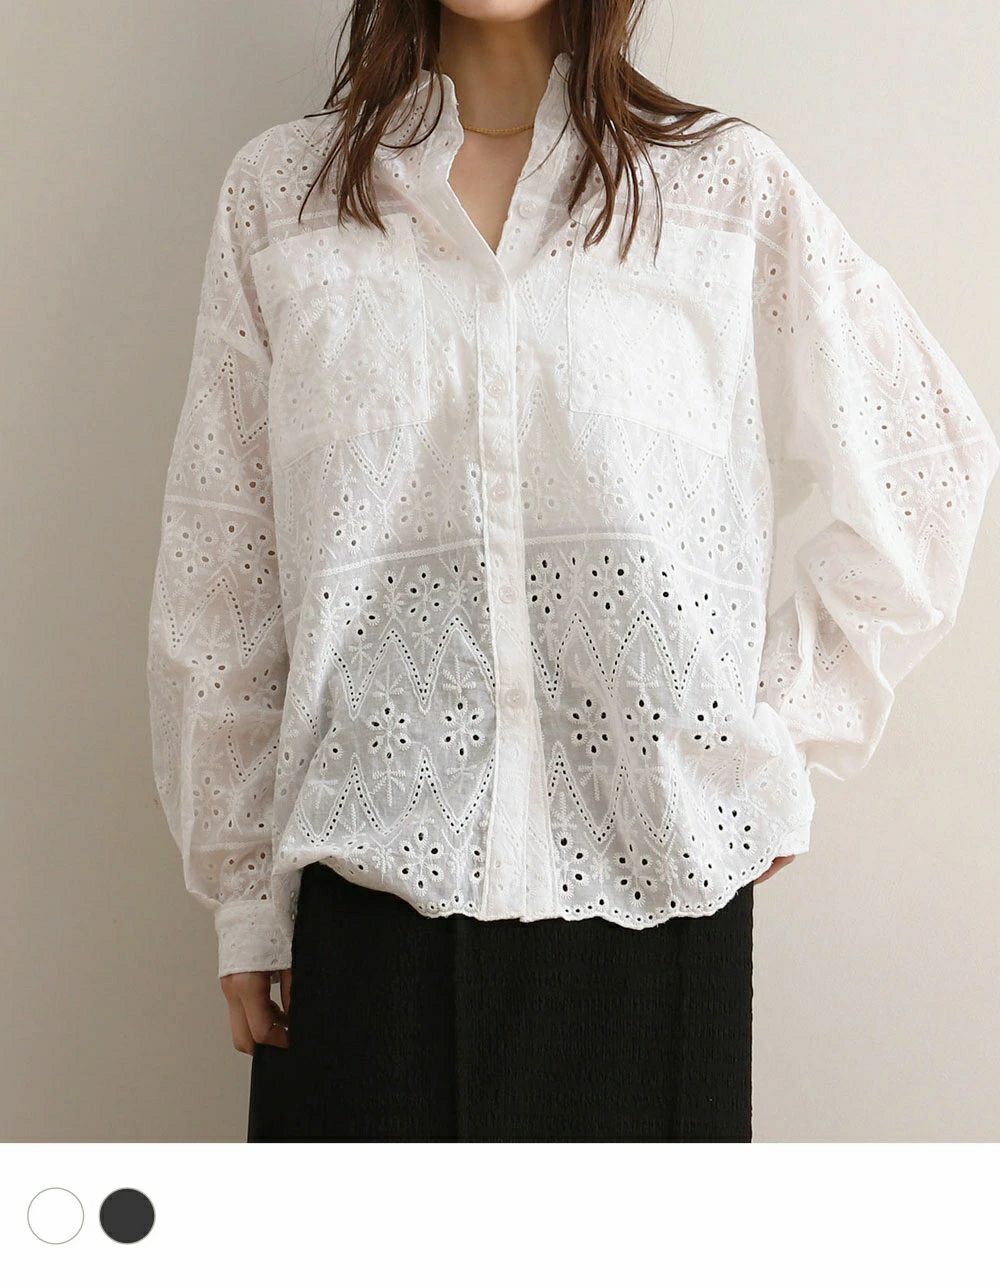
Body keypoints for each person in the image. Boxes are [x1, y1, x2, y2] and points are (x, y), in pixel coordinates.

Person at [145, 0, 999, 1142]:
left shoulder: (723, 189)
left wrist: (780, 737)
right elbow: (224, 566)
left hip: (657, 898)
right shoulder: (283, 196)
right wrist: (248, 895)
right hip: (366, 902)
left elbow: (923, 461)